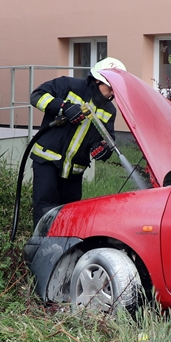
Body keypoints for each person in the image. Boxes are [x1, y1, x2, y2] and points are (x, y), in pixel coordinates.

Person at [28, 57, 125, 227]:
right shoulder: (69, 86)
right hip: (48, 161)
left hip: (74, 171)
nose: (112, 94)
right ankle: (41, 249)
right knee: (45, 211)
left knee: (69, 215)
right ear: (97, 81)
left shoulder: (109, 110)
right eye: (110, 88)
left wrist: (104, 149)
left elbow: (108, 139)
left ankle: (64, 251)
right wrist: (63, 107)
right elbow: (37, 96)